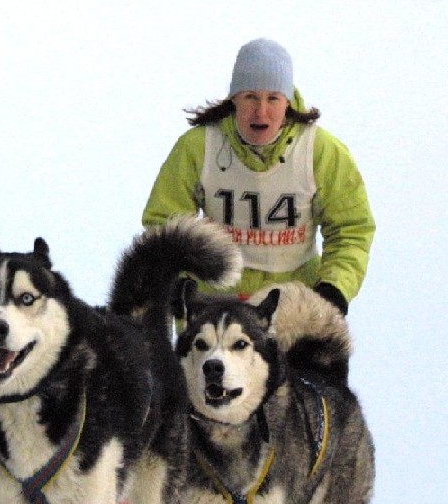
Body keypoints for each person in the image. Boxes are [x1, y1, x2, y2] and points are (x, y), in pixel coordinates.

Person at [141, 38, 374, 314]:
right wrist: (176, 283)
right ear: (235, 98)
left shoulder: (321, 152)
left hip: (293, 307)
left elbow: (352, 228)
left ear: (287, 102)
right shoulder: (198, 147)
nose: (260, 111)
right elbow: (165, 223)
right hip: (212, 307)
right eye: (250, 96)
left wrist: (335, 288)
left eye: (272, 98)